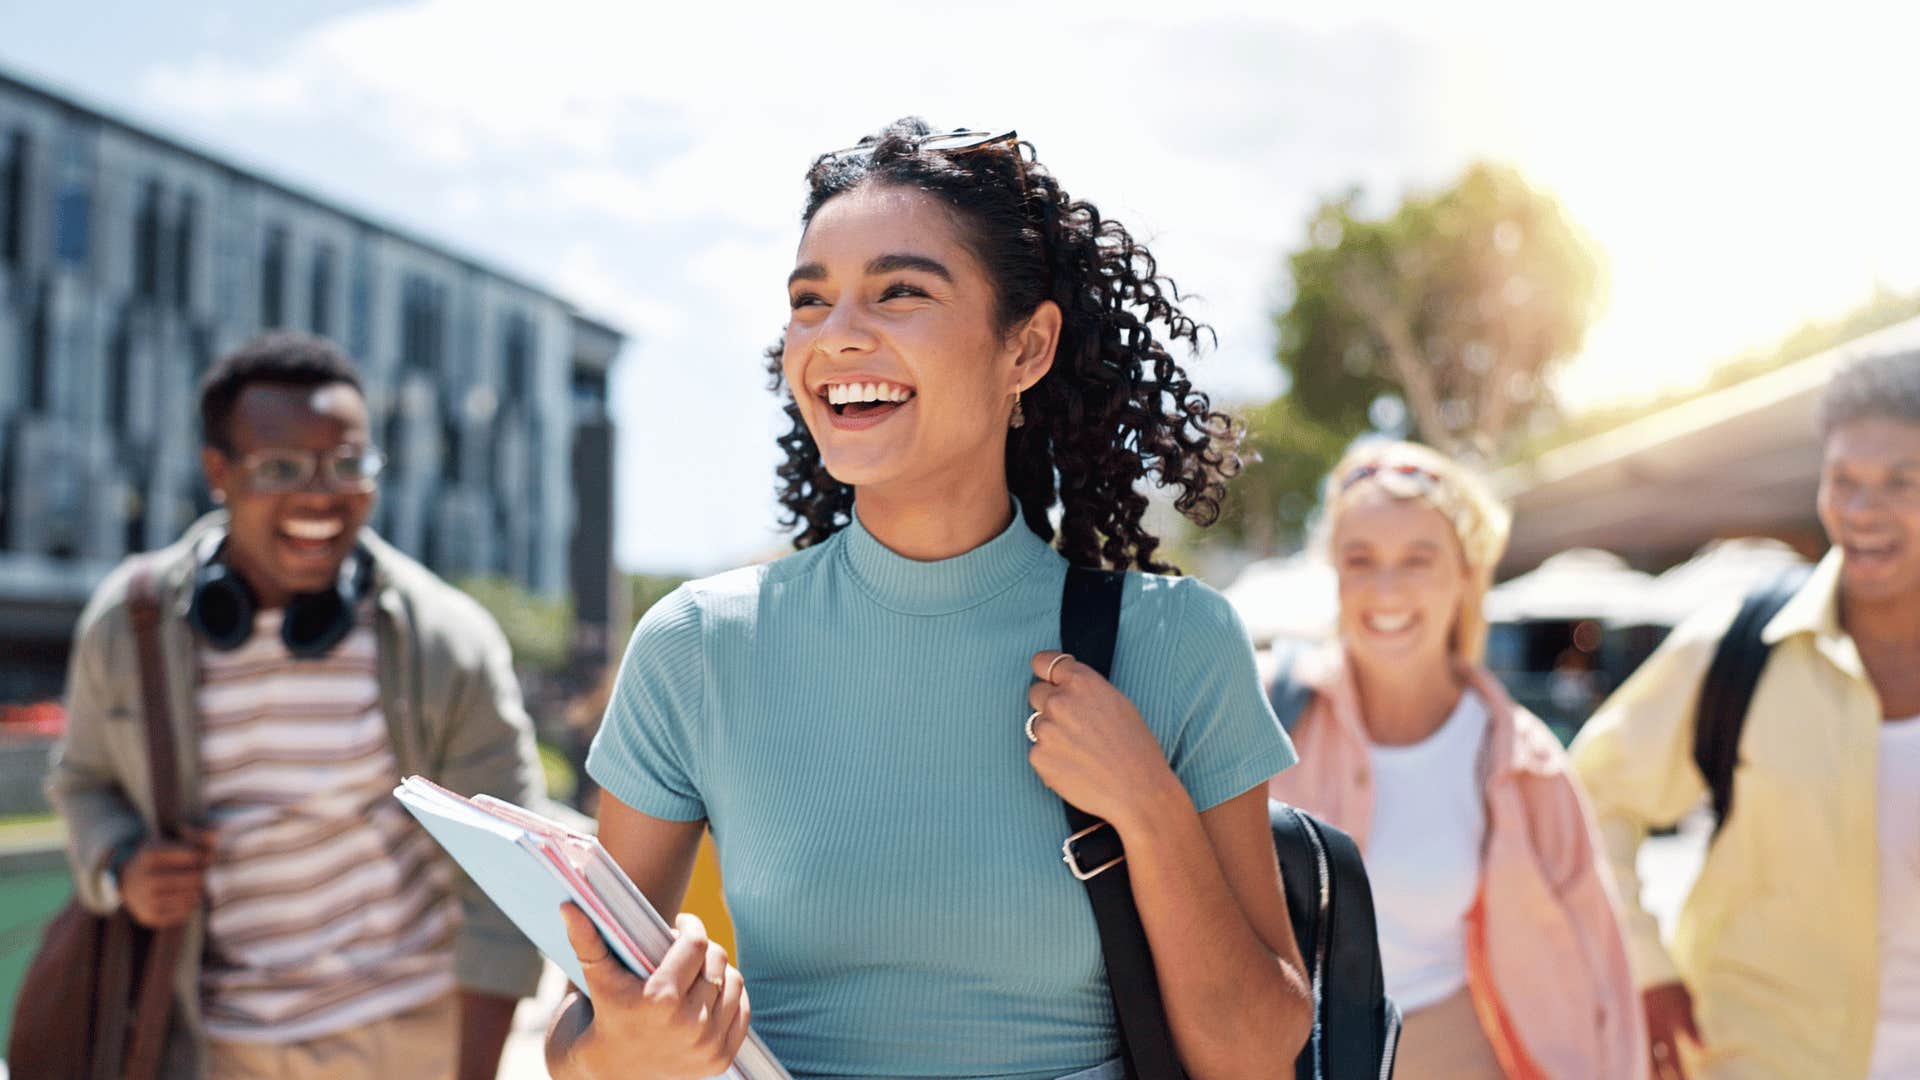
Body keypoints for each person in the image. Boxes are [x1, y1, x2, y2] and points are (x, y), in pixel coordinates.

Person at [544, 120, 1310, 1080]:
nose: (838, 334)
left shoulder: (1176, 640)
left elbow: (1254, 1055)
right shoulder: (698, 645)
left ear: (1026, 347)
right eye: (809, 301)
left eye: (901, 291)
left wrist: (1148, 808)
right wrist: (628, 1048)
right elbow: (578, 1043)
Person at [46, 332, 546, 1079]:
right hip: (209, 1044)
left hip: (407, 1039)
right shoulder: (130, 623)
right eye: (281, 467)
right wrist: (123, 864)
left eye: (347, 464)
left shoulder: (450, 640)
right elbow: (81, 781)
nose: (321, 494)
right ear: (219, 472)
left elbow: (508, 878)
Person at [1571, 348, 1920, 1080]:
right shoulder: (1734, 649)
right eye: (1843, 481)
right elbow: (1586, 797)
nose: (1861, 512)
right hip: (1755, 1056)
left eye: (1899, 483)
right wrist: (1644, 964)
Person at [1267, 441, 1645, 1080]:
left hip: (1457, 1055)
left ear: (1465, 574)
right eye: (1361, 559)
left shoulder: (1523, 761)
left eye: (1418, 559)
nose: (1387, 589)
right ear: (1335, 572)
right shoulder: (1266, 718)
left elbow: (1600, 963)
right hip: (1288, 1059)